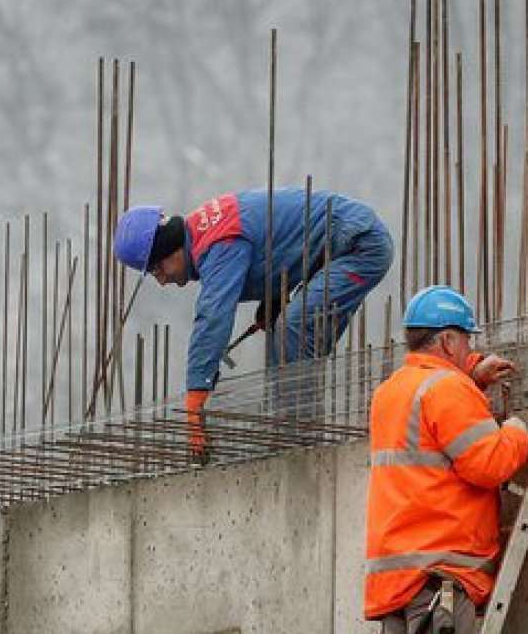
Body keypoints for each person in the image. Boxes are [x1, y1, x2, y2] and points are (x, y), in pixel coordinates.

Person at [114, 187, 393, 460]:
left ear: (169, 248)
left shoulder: (217, 243)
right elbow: (277, 243)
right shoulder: (205, 232)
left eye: (157, 269)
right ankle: (289, 430)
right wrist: (273, 299)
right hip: (335, 247)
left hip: (359, 245)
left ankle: (301, 443)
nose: (162, 280)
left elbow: (213, 316)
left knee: (293, 327)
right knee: (282, 335)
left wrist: (196, 394)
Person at [364, 286, 528, 634]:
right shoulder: (447, 389)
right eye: (467, 341)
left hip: (397, 583)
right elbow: (490, 464)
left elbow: (432, 422)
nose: (469, 348)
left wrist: (471, 373)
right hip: (439, 577)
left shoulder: (389, 392)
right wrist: (516, 432)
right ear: (449, 341)